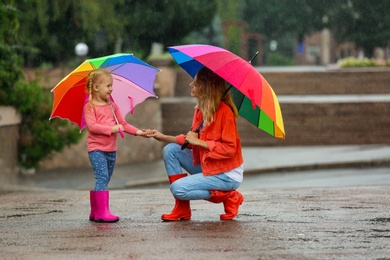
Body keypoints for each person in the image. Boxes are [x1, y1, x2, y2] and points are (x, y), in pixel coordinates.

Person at [149, 66, 244, 221]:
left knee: (178, 189)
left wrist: (200, 141)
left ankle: (229, 195)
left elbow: (230, 149)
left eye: (195, 83)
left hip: (226, 174)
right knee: (170, 150)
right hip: (210, 164)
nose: (190, 85)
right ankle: (182, 210)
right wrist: (163, 137)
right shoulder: (201, 110)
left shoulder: (225, 113)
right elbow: (191, 142)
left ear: (206, 88)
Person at [84, 69, 148, 223]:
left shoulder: (112, 106)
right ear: (96, 87)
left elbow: (123, 124)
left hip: (111, 149)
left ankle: (95, 211)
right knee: (102, 177)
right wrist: (111, 129)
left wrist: (139, 132)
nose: (111, 89)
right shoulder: (90, 107)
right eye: (108, 86)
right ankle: (102, 213)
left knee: (105, 180)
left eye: (111, 85)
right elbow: (92, 127)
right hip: (96, 149)